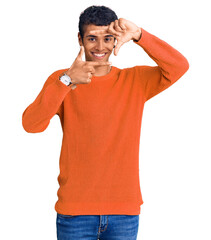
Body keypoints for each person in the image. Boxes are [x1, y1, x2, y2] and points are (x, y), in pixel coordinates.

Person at [22, 5, 189, 240]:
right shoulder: (62, 80)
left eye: (107, 38)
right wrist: (67, 80)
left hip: (124, 212)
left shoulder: (135, 80)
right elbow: (31, 124)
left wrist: (140, 34)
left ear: (115, 40)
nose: (100, 47)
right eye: (92, 38)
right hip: (75, 212)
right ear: (80, 39)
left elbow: (179, 66)